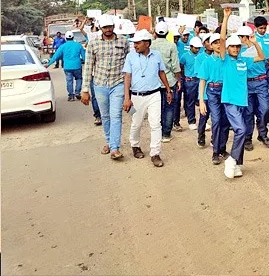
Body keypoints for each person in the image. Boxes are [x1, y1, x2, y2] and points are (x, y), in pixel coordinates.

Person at [220, 8, 266, 179]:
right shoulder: (225, 60)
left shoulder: (243, 59)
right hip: (230, 100)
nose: (235, 49)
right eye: (232, 46)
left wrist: (255, 43)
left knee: (244, 129)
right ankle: (232, 160)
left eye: (237, 46)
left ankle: (238, 164)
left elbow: (261, 57)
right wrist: (226, 17)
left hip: (243, 101)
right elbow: (223, 39)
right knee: (240, 130)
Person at [81, 15, 130, 159]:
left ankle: (115, 148)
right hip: (100, 84)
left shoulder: (123, 41)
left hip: (118, 83)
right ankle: (109, 141)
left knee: (116, 115)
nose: (108, 30)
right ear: (100, 28)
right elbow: (89, 66)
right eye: (105, 27)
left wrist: (130, 87)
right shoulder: (93, 43)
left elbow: (129, 65)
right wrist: (85, 89)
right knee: (105, 116)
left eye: (110, 27)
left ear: (114, 27)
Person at [122, 30, 173, 168]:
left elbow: (161, 72)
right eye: (134, 43)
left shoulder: (156, 55)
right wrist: (127, 98)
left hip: (155, 94)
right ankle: (135, 145)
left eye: (138, 43)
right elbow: (127, 77)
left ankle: (155, 153)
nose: (135, 45)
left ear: (147, 43)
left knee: (156, 124)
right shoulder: (130, 57)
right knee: (136, 123)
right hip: (136, 96)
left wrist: (168, 89)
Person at [236, 24, 269, 150]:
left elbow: (266, 57)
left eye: (244, 37)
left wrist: (255, 43)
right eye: (241, 37)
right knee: (249, 112)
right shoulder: (238, 51)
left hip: (261, 81)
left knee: (265, 108)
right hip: (247, 83)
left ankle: (262, 134)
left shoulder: (259, 46)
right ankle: (248, 138)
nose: (242, 40)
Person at [198, 33, 231, 165]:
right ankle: (216, 151)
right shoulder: (207, 61)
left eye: (220, 42)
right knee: (216, 120)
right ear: (210, 45)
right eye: (215, 42)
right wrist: (201, 101)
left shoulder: (226, 59)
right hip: (212, 91)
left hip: (226, 91)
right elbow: (202, 81)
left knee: (226, 121)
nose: (218, 44)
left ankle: (222, 148)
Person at [151, 22, 182, 142]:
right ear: (168, 33)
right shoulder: (171, 46)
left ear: (155, 33)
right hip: (170, 81)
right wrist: (178, 79)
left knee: (156, 107)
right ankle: (166, 134)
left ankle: (156, 132)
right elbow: (175, 65)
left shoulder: (150, 45)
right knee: (169, 107)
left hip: (154, 82)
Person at [252, 16, 269, 127]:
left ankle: (267, 109)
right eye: (260, 28)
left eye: (264, 28)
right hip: (258, 68)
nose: (262, 30)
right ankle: (264, 113)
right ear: (256, 27)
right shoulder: (252, 39)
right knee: (260, 94)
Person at [45, 31, 85, 101]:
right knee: (79, 79)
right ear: (73, 37)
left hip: (67, 67)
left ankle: (71, 96)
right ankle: (77, 93)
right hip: (77, 66)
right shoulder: (78, 45)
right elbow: (84, 57)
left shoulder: (63, 46)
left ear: (66, 38)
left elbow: (55, 56)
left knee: (69, 81)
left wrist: (48, 64)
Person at [195, 33, 214, 147]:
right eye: (208, 41)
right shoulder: (200, 58)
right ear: (203, 44)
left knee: (216, 118)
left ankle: (214, 137)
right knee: (204, 116)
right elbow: (199, 75)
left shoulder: (219, 56)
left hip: (217, 92)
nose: (210, 44)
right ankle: (201, 135)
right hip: (206, 91)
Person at [180, 37, 203, 131]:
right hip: (190, 81)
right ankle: (191, 121)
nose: (197, 49)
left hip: (200, 80)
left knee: (202, 100)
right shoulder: (185, 56)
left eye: (198, 48)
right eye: (196, 48)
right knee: (190, 102)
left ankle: (203, 121)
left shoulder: (201, 55)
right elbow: (180, 66)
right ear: (191, 47)